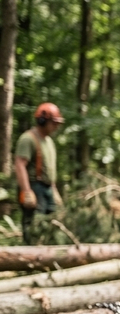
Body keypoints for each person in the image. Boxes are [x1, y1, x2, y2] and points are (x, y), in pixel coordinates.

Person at [14, 102, 65, 244]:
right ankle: (30, 258)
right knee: (33, 225)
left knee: (52, 222)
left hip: (48, 188)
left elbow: (49, 169)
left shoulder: (49, 141)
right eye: (54, 123)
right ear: (42, 121)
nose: (56, 126)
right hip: (34, 186)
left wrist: (54, 190)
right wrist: (26, 190)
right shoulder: (28, 139)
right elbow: (19, 165)